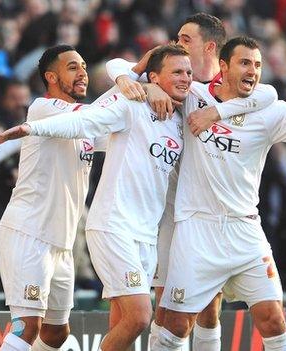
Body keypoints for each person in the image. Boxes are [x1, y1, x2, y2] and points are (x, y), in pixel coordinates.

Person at [0, 43, 276, 351]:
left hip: (96, 238)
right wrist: (30, 127)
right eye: (73, 67)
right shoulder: (50, 107)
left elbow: (267, 94)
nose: (186, 78)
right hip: (54, 229)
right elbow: (88, 118)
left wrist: (209, 107)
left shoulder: (180, 117)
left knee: (57, 334)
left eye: (188, 73)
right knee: (135, 317)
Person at [153, 36, 286, 351]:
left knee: (272, 320)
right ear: (223, 67)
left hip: (245, 231)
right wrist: (149, 87)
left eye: (257, 65)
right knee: (175, 327)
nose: (252, 71)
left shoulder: (270, 111)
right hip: (197, 229)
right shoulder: (194, 96)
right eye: (244, 63)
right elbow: (138, 75)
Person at [105, 13, 277, 351]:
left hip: (212, 217)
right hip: (166, 210)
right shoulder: (177, 84)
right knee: (169, 311)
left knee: (210, 309)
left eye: (185, 39)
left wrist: (218, 113)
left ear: (210, 47)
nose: (176, 42)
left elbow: (268, 93)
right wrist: (146, 83)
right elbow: (116, 66)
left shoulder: (230, 93)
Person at [0, 44, 95, 351]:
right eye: (73, 67)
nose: (83, 73)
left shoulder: (88, 123)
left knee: (56, 333)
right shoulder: (42, 108)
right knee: (27, 327)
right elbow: (108, 113)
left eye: (84, 67)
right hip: (30, 232)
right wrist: (127, 82)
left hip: (61, 242)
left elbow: (116, 127)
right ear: (51, 76)